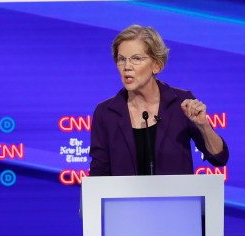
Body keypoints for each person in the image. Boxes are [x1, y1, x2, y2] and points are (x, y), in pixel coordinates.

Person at [89, 24, 229, 176]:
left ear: (156, 65)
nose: (127, 67)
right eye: (121, 59)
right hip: (123, 200)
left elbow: (219, 158)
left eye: (136, 59)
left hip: (176, 199)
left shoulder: (181, 103)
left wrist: (204, 126)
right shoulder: (106, 113)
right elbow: (99, 174)